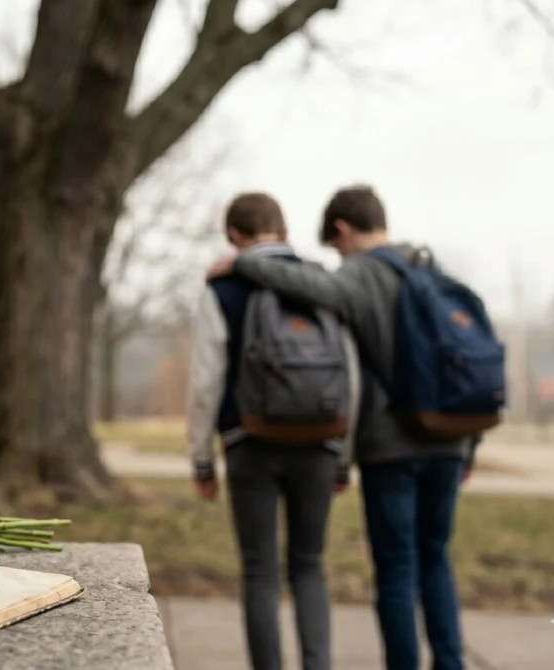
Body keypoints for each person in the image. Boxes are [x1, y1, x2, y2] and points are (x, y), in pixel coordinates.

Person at [208, 185, 479, 670]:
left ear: (342, 230)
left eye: (335, 247)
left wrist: (243, 263)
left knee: (396, 567)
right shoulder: (430, 269)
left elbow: (315, 289)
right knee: (435, 557)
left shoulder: (359, 274)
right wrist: (469, 446)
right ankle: (450, 662)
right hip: (451, 441)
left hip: (391, 445)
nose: (337, 256)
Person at [187, 192, 359, 670]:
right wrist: (343, 453)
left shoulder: (222, 288)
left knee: (260, 572)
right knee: (309, 566)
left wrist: (202, 458)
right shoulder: (321, 283)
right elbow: (351, 374)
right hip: (320, 442)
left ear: (235, 238)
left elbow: (205, 381)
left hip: (250, 443)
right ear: (283, 232)